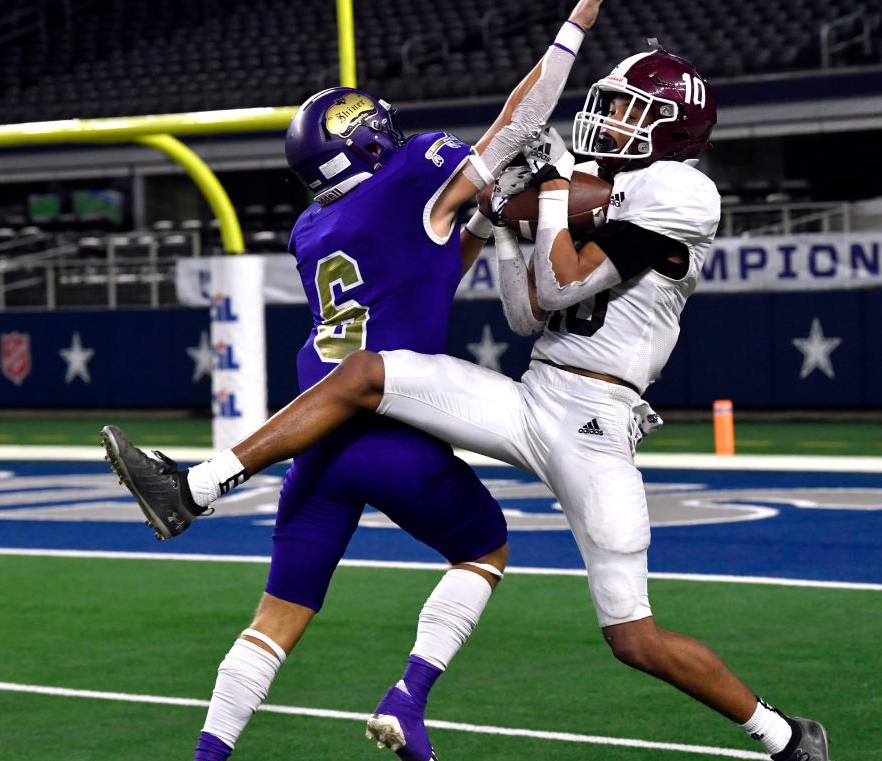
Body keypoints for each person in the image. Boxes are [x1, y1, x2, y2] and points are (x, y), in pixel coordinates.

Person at [105, 42, 831, 761]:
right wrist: (500, 223)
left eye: (627, 110)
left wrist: (529, 192)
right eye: (609, 106)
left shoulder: (682, 189)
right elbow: (523, 312)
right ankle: (198, 489)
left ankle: (782, 735)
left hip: (598, 426)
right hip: (534, 393)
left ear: (672, 127)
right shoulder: (592, 180)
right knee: (368, 374)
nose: (609, 119)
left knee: (633, 638)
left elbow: (559, 284)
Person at [101, 3, 604, 760]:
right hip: (385, 425)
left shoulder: (312, 229)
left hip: (318, 437)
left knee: (276, 617)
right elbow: (518, 114)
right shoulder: (414, 171)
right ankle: (409, 696)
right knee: (484, 550)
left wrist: (480, 225)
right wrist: (575, 28)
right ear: (365, 139)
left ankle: (206, 754)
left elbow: (421, 267)